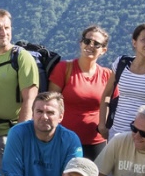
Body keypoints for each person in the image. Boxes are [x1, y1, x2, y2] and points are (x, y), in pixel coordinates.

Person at [0, 9, 39, 170]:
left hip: (7, 135)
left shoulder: (21, 58)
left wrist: (18, 138)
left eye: (7, 28)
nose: (3, 32)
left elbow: (29, 100)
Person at [48, 26, 114, 160]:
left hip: (96, 142)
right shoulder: (64, 69)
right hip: (63, 139)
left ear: (103, 50)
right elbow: (50, 103)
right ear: (81, 43)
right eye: (87, 41)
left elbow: (114, 106)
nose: (90, 45)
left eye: (96, 44)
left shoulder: (107, 75)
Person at [0, 92, 83, 176]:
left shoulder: (71, 140)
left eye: (50, 112)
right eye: (39, 111)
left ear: (61, 117)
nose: (44, 117)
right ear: (32, 114)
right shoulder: (17, 133)